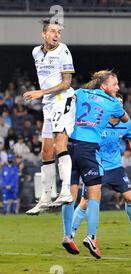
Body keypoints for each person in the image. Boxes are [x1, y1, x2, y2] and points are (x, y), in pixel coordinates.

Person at [60, 70, 129, 259]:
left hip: (69, 146)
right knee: (93, 194)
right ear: (104, 86)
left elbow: (67, 99)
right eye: (115, 84)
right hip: (88, 149)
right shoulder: (113, 102)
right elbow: (125, 119)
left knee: (70, 194)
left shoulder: (81, 93)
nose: (118, 87)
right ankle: (92, 236)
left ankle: (67, 235)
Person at [71, 94, 131, 242]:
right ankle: (71, 234)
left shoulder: (126, 123)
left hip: (115, 167)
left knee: (130, 197)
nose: (118, 105)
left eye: (120, 103)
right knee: (85, 202)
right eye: (115, 102)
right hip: (97, 165)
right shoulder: (98, 120)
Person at [25, 19, 76, 214]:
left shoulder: (63, 50)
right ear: (44, 34)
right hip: (48, 104)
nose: (56, 35)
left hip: (63, 99)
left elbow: (66, 83)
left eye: (59, 32)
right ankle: (45, 198)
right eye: (53, 31)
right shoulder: (36, 52)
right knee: (46, 151)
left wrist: (40, 92)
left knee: (59, 145)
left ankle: (65, 192)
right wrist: (44, 96)